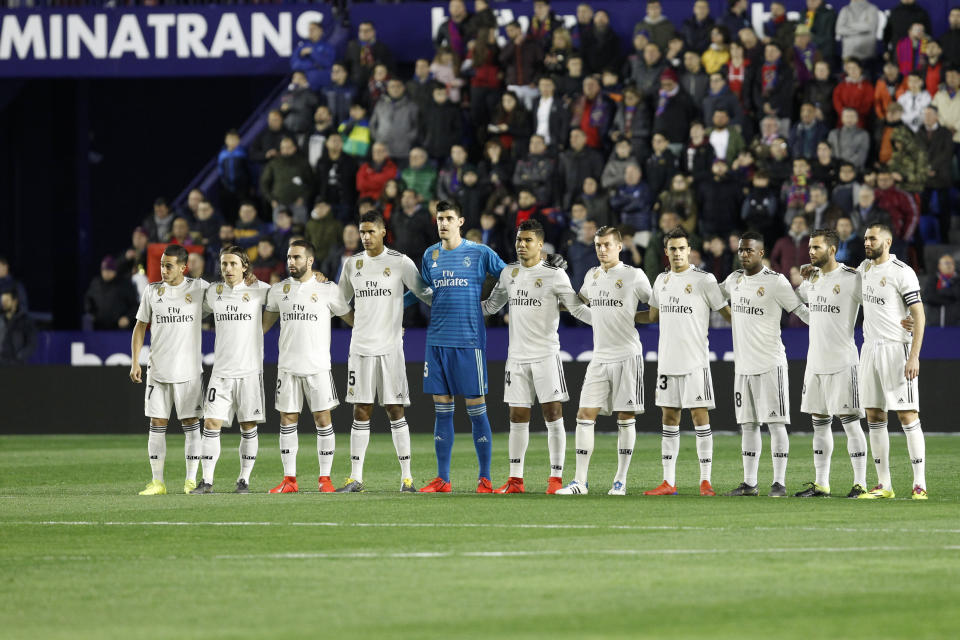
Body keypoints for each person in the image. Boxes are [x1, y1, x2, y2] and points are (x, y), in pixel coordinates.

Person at [481, 220, 592, 494]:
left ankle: (555, 478)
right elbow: (492, 306)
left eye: (528, 240)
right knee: (517, 415)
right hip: (516, 358)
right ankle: (516, 479)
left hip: (545, 355)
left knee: (552, 413)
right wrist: (458, 307)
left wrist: (610, 321)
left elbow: (576, 309)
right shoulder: (509, 273)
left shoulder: (555, 275)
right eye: (519, 240)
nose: (521, 245)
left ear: (540, 245)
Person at [336, 211, 433, 492]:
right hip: (361, 349)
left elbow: (424, 292)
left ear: (383, 232)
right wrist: (360, 324)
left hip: (391, 349)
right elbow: (340, 302)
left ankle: (407, 478)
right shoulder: (351, 264)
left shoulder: (400, 262)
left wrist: (451, 295)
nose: (365, 237)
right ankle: (355, 478)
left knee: (395, 409)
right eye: (361, 232)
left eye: (370, 232)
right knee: (360, 410)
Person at [418, 200, 509, 493]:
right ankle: (443, 479)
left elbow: (509, 277)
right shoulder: (429, 255)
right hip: (436, 342)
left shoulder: (479, 252)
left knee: (476, 410)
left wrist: (492, 305)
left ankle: (485, 479)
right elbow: (420, 291)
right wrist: (387, 307)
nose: (442, 223)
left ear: (460, 221)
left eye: (448, 218)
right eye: (439, 218)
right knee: (441, 410)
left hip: (469, 342)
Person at [556, 226, 651, 496]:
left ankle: (620, 480)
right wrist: (552, 291)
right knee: (584, 415)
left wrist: (632, 317)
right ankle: (580, 482)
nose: (602, 249)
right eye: (598, 245)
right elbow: (579, 304)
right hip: (599, 357)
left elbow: (655, 309)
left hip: (627, 355)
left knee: (625, 416)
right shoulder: (592, 275)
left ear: (619, 246)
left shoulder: (634, 276)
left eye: (607, 244)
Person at [635, 227, 730, 496]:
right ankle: (668, 482)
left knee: (700, 416)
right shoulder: (661, 280)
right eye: (672, 249)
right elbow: (652, 316)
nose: (677, 253)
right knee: (669, 417)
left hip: (695, 362)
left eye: (681, 248)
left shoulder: (704, 280)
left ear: (689, 250)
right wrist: (622, 315)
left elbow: (726, 313)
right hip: (667, 362)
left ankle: (705, 481)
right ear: (666, 252)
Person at [720, 232, 809, 497]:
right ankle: (749, 483)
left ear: (761, 253)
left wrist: (827, 324)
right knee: (747, 424)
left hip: (771, 364)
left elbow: (799, 310)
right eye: (741, 250)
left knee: (776, 424)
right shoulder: (733, 280)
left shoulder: (776, 282)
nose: (745, 255)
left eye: (750, 250)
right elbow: (709, 295)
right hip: (743, 367)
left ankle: (779, 483)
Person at [262, 240, 354, 494]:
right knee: (287, 419)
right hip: (287, 367)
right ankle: (289, 480)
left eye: (297, 258)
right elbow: (263, 326)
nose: (291, 262)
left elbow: (351, 319)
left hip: (318, 367)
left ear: (310, 261)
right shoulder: (278, 290)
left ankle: (325, 479)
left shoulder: (328, 289)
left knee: (323, 419)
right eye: (289, 257)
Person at [188, 247, 270, 495]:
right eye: (224, 264)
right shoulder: (214, 292)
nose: (228, 269)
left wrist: (318, 277)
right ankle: (207, 481)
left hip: (249, 372)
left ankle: (243, 479)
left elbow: (286, 298)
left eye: (233, 264)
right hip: (221, 373)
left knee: (248, 426)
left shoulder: (260, 290)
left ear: (244, 266)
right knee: (211, 424)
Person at [794, 229, 869, 498]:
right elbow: (805, 309)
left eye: (816, 247)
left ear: (832, 249)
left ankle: (860, 483)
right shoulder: (811, 279)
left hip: (843, 362)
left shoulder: (852, 279)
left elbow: (874, 306)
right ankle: (821, 484)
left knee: (850, 423)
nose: (811, 252)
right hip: (815, 363)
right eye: (810, 247)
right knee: (819, 423)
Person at [129, 245, 208, 496]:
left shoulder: (199, 289)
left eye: (169, 265)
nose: (163, 269)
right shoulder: (152, 291)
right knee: (157, 422)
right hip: (158, 370)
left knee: (191, 423)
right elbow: (140, 326)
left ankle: (191, 481)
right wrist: (135, 362)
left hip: (189, 372)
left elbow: (229, 293)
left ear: (183, 267)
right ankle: (157, 482)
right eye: (162, 264)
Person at [856, 224, 927, 499]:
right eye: (864, 238)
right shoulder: (863, 269)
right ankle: (884, 484)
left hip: (896, 350)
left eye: (871, 238)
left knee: (907, 414)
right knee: (874, 415)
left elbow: (918, 316)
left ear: (887, 242)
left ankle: (919, 483)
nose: (866, 242)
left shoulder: (902, 272)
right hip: (870, 349)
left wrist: (914, 357)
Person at [259, 137, 314, 224]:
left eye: (288, 147)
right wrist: (271, 200)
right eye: (283, 148)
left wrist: (303, 198)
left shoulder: (303, 163)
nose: (286, 150)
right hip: (279, 204)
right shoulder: (273, 163)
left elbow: (311, 183)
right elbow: (264, 183)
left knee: (299, 231)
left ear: (294, 148)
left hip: (298, 204)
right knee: (280, 233)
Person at [370, 79, 419, 160]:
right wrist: (378, 138)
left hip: (403, 152)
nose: (395, 89)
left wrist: (407, 139)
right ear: (388, 89)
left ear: (403, 88)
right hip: (383, 151)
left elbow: (416, 126)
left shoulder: (412, 106)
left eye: (398, 86)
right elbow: (372, 124)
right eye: (392, 86)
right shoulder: (380, 104)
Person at [85, 256, 139, 331]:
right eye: (104, 270)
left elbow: (135, 306)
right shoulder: (96, 283)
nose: (106, 273)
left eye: (109, 270)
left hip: (119, 330)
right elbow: (88, 301)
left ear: (115, 271)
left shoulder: (125, 284)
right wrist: (92, 314)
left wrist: (128, 318)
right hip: (99, 329)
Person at [345, 21, 395, 88]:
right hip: (356, 83)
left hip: (376, 85)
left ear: (373, 31)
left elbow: (390, 68)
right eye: (361, 30)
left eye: (367, 30)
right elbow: (347, 64)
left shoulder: (382, 48)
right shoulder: (352, 46)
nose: (363, 33)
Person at [290, 20, 335, 92]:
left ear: (320, 30)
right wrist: (314, 64)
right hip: (306, 87)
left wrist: (313, 52)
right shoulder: (302, 47)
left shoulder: (328, 47)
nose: (310, 31)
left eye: (313, 29)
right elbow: (295, 65)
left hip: (325, 86)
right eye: (309, 29)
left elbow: (328, 63)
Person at [836, 0, 880, 64]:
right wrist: (860, 29)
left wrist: (849, 25)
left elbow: (869, 26)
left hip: (867, 54)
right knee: (848, 74)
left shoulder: (872, 9)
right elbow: (839, 29)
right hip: (848, 54)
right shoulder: (845, 10)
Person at [0, 288, 36, 365]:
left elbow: (31, 343)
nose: (4, 303)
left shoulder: (25, 320)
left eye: (6, 301)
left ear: (15, 301)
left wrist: (19, 356)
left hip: (16, 363)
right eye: (3, 301)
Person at [923, 254, 960, 326]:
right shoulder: (933, 279)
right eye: (946, 263)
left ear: (954, 266)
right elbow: (927, 297)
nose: (948, 266)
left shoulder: (958, 280)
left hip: (955, 325)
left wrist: (939, 292)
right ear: (939, 266)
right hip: (933, 323)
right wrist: (949, 299)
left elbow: (957, 293)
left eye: (950, 263)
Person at [280, 71, 320, 136]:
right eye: (295, 78)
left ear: (305, 80)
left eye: (300, 78)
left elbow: (315, 103)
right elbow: (283, 109)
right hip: (288, 130)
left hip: (304, 130)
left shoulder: (309, 92)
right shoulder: (287, 93)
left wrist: (306, 88)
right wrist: (283, 109)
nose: (297, 80)